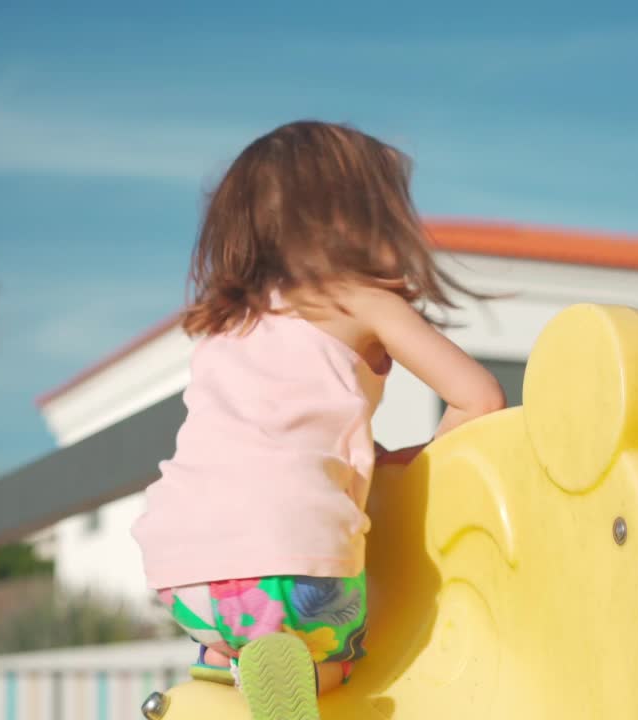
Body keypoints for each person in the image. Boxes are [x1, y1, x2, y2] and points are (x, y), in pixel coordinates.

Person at [132, 120, 505, 720]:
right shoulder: (363, 300)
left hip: (182, 571)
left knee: (248, 633)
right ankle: (305, 674)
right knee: (338, 661)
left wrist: (366, 460)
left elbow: (274, 432)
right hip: (295, 556)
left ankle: (229, 655)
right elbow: (478, 398)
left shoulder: (228, 325)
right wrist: (424, 465)